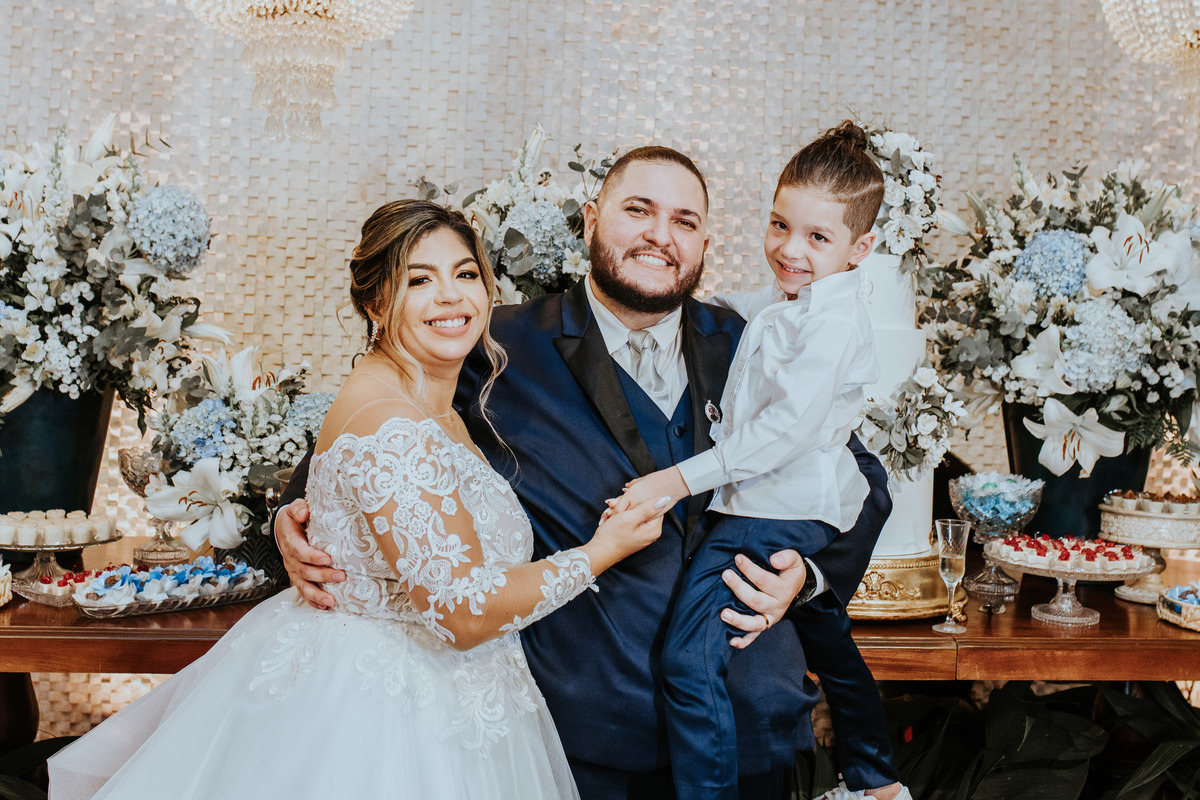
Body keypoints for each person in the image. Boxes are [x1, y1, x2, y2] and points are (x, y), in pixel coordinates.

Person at [276, 146, 895, 800]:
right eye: (639, 210)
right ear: (593, 220)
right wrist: (294, 522)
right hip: (579, 738)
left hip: (750, 726)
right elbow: (373, 434)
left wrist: (807, 576)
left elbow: (861, 477)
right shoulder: (494, 345)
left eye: (684, 221)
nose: (660, 235)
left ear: (705, 244)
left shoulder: (757, 338)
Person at [47, 200, 674, 800]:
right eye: (419, 280)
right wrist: (601, 551)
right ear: (375, 302)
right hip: (390, 716)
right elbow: (461, 612)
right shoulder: (390, 422)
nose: (450, 296)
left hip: (463, 705)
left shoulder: (439, 392)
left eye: (465, 274)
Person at [612, 122, 908, 800]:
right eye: (780, 225)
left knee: (689, 661)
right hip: (793, 505)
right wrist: (679, 293)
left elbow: (785, 431)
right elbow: (746, 310)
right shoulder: (793, 300)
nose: (789, 249)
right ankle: (876, 778)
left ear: (861, 249)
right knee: (829, 635)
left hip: (771, 510)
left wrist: (674, 480)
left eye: (816, 237)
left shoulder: (834, 322)